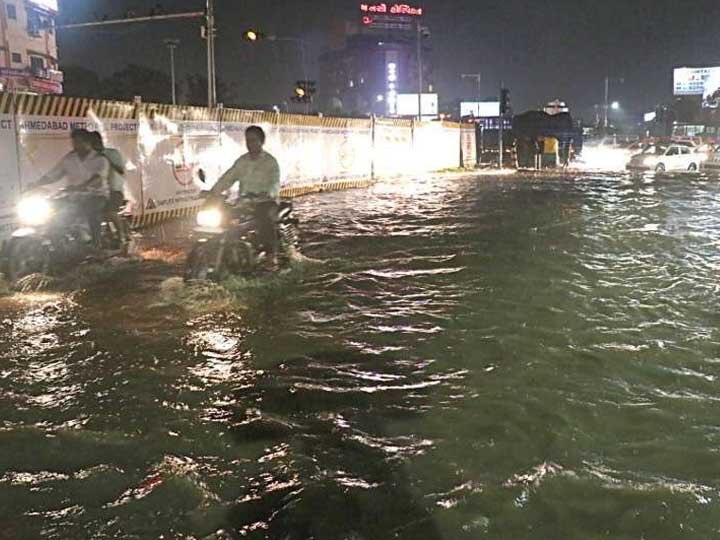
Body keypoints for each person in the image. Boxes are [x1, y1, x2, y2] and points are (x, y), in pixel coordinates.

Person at [26, 128, 109, 248]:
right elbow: (54, 175)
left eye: (79, 142)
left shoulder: (100, 159)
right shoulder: (69, 159)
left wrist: (82, 186)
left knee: (92, 212)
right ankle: (60, 243)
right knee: (53, 210)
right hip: (73, 195)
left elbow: (98, 177)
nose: (75, 145)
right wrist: (36, 184)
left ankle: (97, 245)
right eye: (74, 142)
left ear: (88, 142)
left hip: (96, 195)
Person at [210, 125, 281, 262]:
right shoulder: (242, 161)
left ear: (262, 141)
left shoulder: (270, 162)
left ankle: (271, 256)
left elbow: (275, 183)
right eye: (248, 140)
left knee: (265, 218)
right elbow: (228, 178)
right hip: (244, 202)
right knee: (224, 217)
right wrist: (213, 191)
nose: (250, 144)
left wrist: (268, 193)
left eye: (254, 140)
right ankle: (229, 250)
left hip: (265, 202)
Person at [89, 131, 128, 244]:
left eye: (95, 142)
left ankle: (122, 236)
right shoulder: (91, 159)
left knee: (111, 211)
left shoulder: (112, 153)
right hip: (99, 192)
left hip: (114, 190)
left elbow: (120, 170)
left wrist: (105, 158)